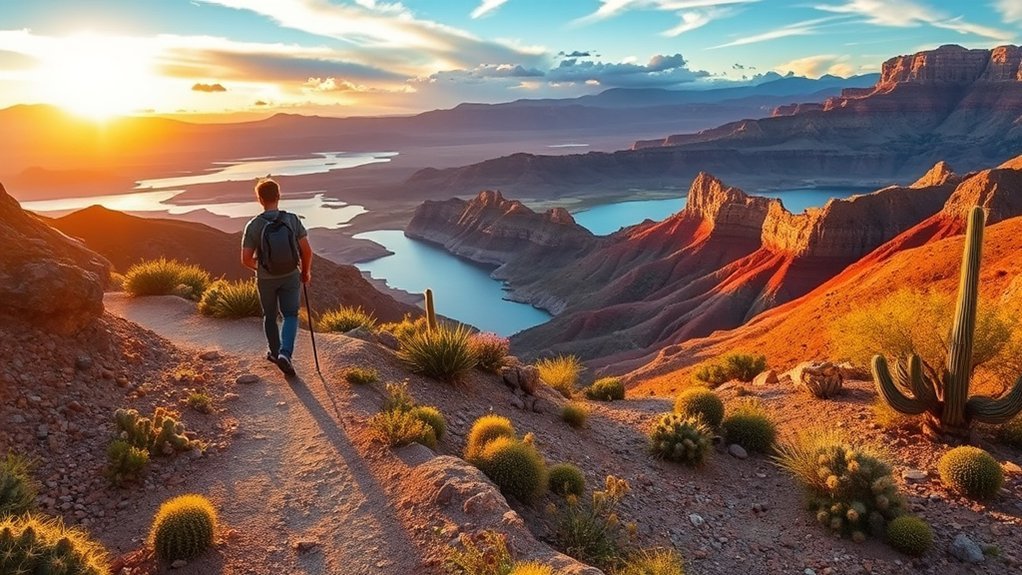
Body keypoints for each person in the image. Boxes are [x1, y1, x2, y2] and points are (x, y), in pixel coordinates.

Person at [241, 178, 312, 376]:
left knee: (270, 316)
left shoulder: (254, 225)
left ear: (259, 199)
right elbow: (307, 251)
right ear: (278, 196)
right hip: (291, 275)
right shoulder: (292, 219)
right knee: (291, 315)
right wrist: (305, 272)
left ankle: (274, 353)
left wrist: (263, 268)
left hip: (266, 279)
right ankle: (285, 354)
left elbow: (246, 259)